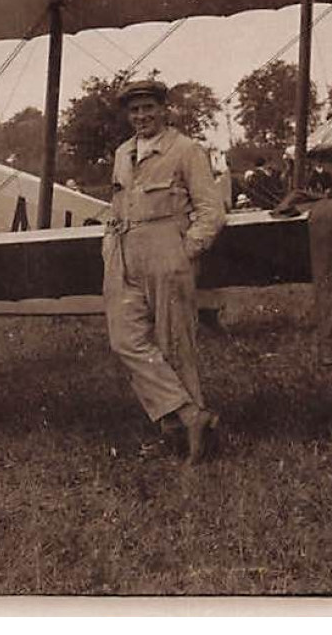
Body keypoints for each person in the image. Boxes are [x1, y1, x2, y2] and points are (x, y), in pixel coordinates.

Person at [101, 79, 227, 464]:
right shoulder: (123, 153)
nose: (141, 116)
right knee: (125, 340)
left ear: (163, 110)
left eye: (148, 108)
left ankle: (180, 438)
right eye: (135, 110)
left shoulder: (186, 150)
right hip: (124, 254)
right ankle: (191, 416)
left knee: (175, 344)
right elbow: (117, 205)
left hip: (167, 251)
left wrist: (186, 250)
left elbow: (211, 210)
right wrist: (109, 246)